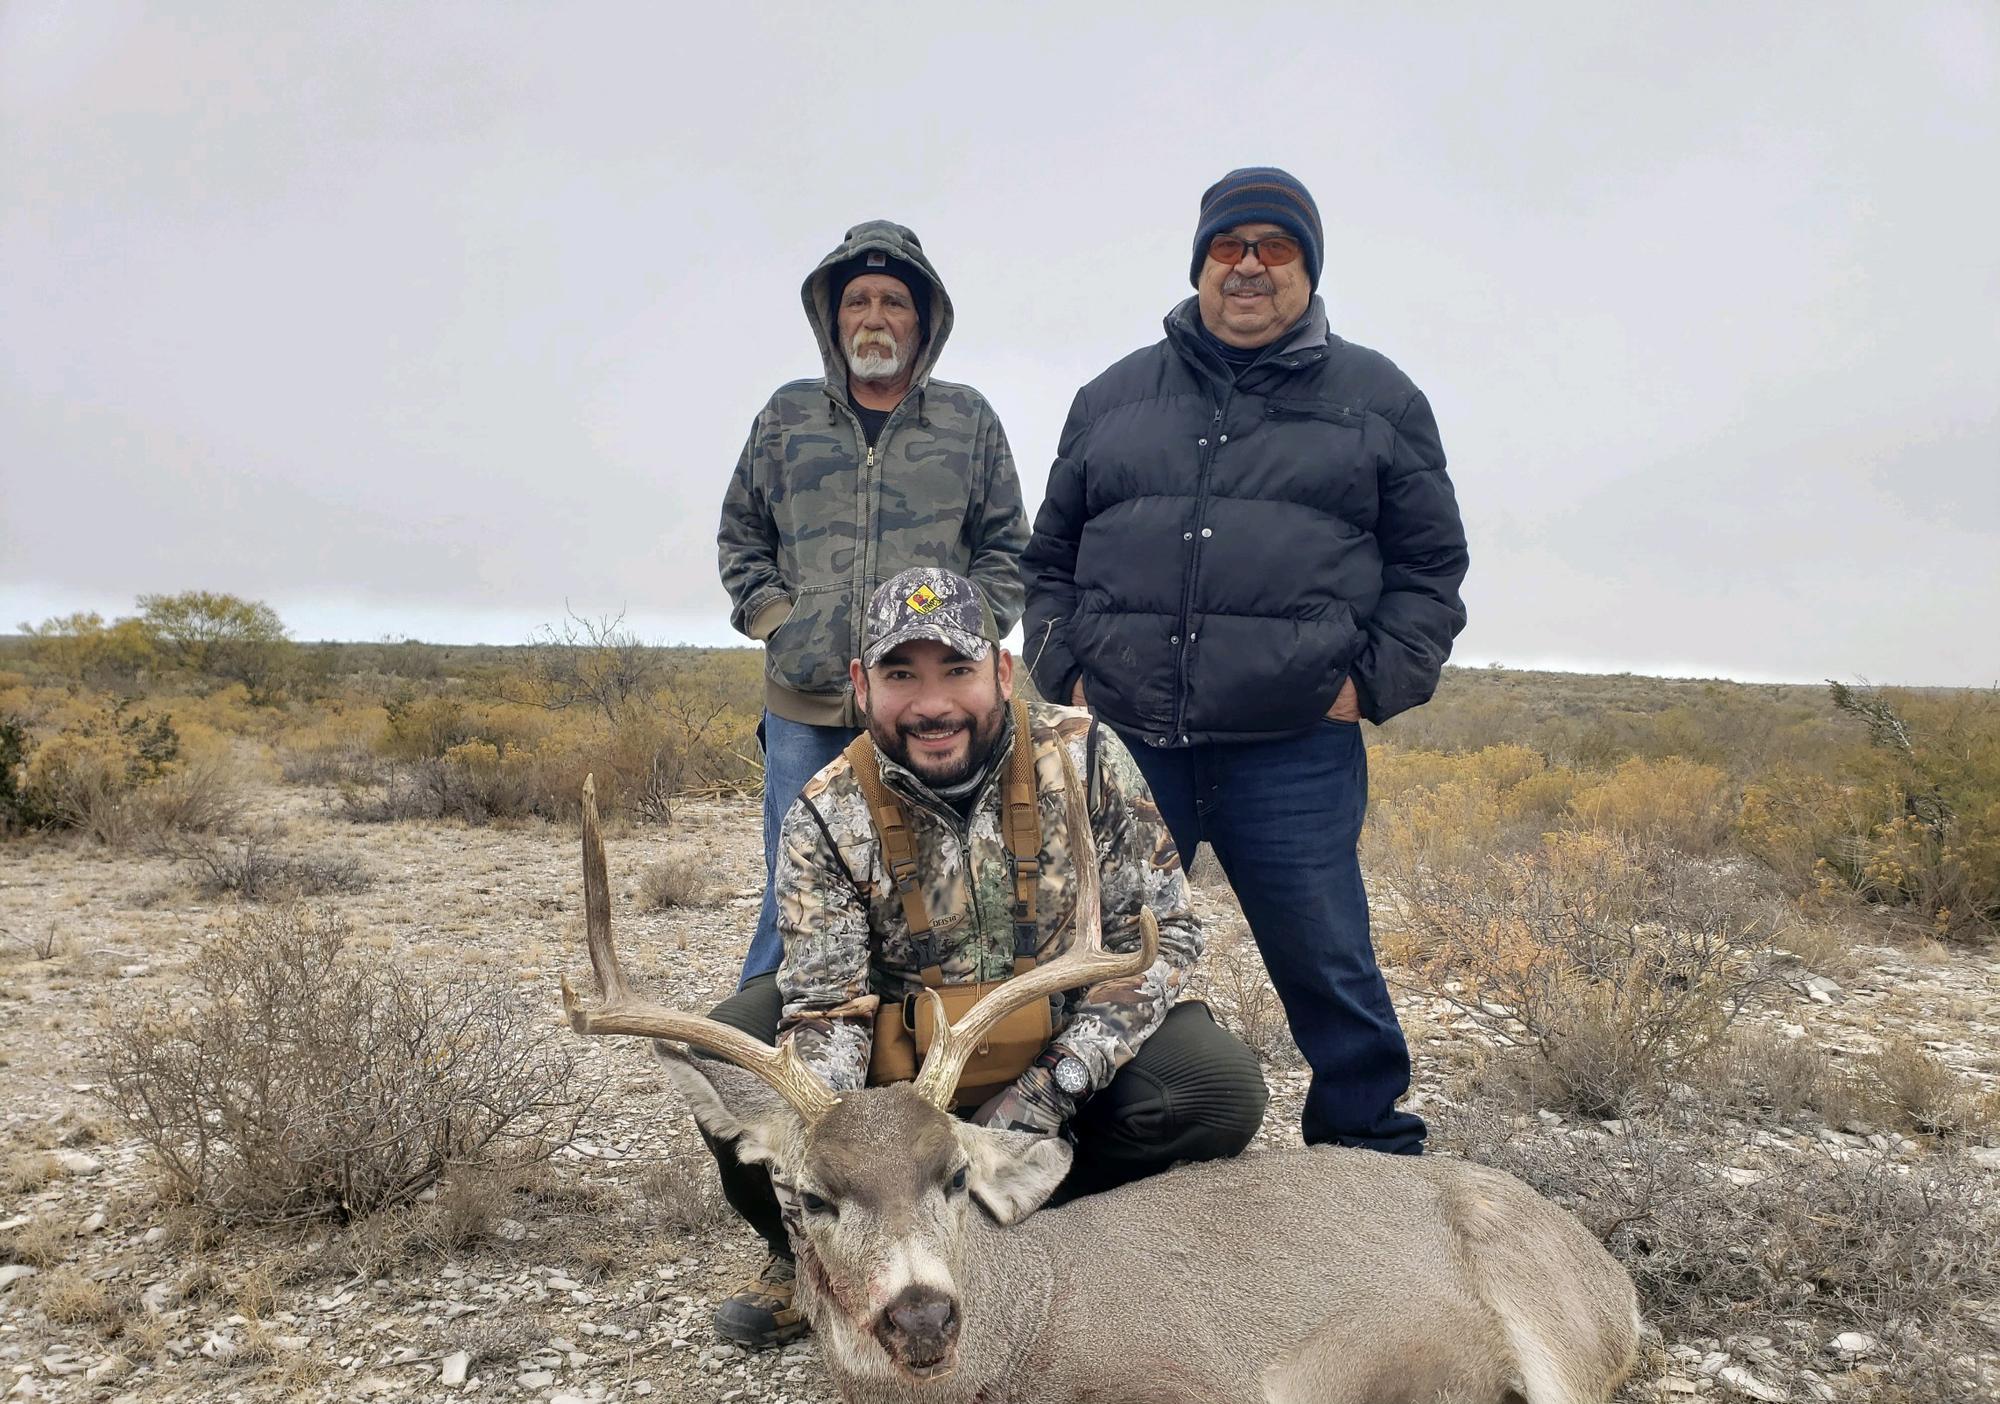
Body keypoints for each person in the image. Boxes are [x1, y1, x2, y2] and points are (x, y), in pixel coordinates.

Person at [1023, 166, 1470, 1158]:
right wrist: (1066, 674)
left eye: (1275, 248)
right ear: (1199, 264)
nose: (1250, 267)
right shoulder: (1111, 398)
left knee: (1329, 967)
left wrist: (1371, 684)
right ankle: (1057, 1149)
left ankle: (1369, 1165)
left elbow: (1431, 568)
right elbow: (1047, 559)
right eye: (1229, 247)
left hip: (1293, 751)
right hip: (1133, 747)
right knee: (1094, 961)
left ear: (1307, 269)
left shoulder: (1378, 398)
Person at [701, 568, 1267, 1349]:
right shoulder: (827, 809)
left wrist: (1055, 1085)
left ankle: (1044, 1242)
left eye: (957, 671)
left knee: (1214, 1085)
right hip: (896, 1090)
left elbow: (1162, 940)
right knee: (733, 1047)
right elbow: (826, 1003)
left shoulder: (1087, 756)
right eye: (902, 675)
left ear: (1001, 673)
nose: (932, 705)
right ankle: (817, 1259)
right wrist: (844, 1136)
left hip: (1059, 1057)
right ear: (863, 686)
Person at [717, 222, 1030, 987]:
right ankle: (767, 1059)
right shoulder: (785, 418)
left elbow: (1008, 552)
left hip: (927, 711)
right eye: (856, 299)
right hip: (807, 708)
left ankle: (930, 1061)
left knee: (934, 887)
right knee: (797, 891)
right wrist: (778, 626)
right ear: (833, 317)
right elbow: (740, 537)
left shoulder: (969, 422)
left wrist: (959, 657)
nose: (874, 316)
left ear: (923, 321)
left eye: (894, 301)